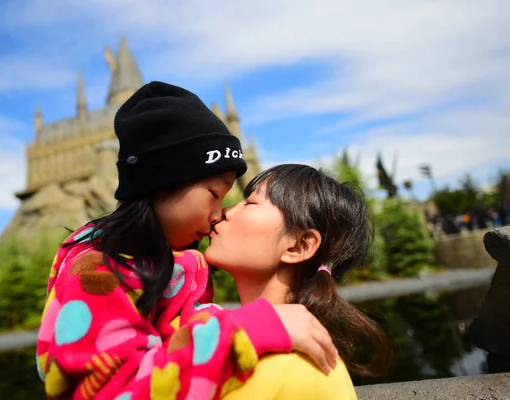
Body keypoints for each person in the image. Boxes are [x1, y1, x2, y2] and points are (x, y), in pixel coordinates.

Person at [36, 82, 337, 399]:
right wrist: (248, 332)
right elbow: (110, 388)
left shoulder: (172, 266)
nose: (219, 213)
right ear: (163, 183)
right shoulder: (98, 272)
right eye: (214, 194)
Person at [204, 164, 392, 399]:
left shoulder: (294, 367)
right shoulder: (240, 340)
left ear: (299, 245)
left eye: (250, 203)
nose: (226, 210)